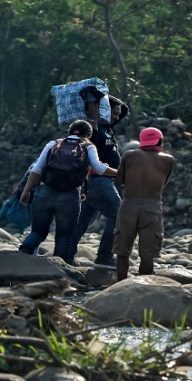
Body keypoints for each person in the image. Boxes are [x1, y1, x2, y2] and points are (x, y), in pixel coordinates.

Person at [18, 120, 117, 263]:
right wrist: (119, 173)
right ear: (88, 135)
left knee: (37, 232)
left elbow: (36, 169)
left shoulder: (53, 144)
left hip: (44, 192)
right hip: (69, 197)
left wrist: (26, 192)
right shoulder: (88, 146)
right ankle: (58, 269)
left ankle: (22, 256)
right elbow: (99, 168)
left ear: (69, 132)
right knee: (64, 236)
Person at [67, 95, 129, 267]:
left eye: (117, 115)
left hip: (96, 183)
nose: (117, 117)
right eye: (114, 113)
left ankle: (66, 254)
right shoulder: (92, 128)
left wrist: (106, 98)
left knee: (82, 220)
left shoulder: (108, 127)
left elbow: (124, 111)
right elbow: (87, 145)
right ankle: (104, 257)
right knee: (118, 214)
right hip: (98, 180)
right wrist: (94, 114)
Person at [113, 127, 175, 281]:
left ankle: (120, 284)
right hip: (152, 207)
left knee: (122, 251)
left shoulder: (129, 155)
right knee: (148, 253)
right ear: (160, 140)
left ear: (141, 141)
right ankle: (145, 285)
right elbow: (163, 183)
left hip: (128, 206)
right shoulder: (168, 159)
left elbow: (118, 181)